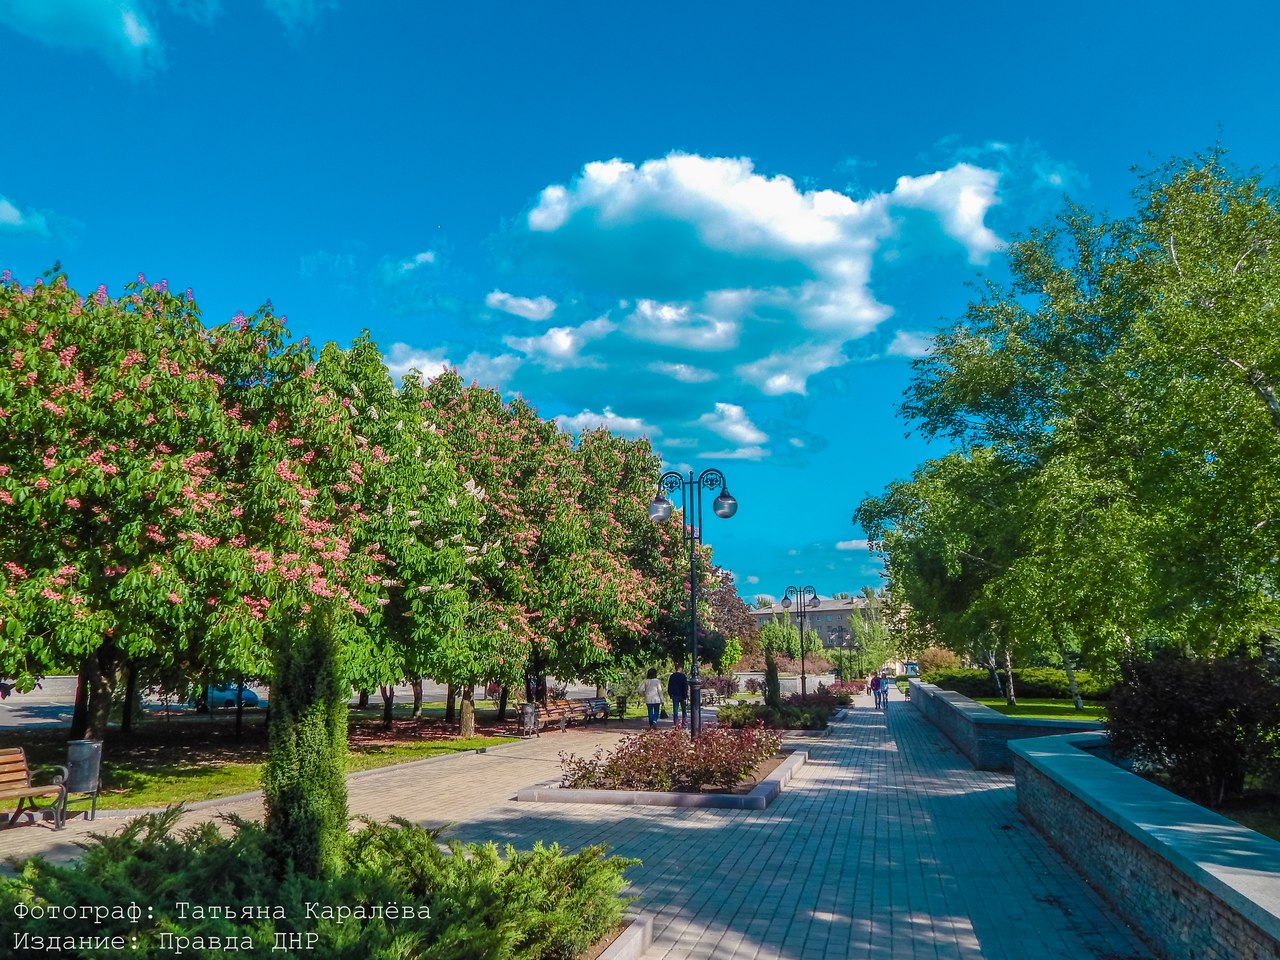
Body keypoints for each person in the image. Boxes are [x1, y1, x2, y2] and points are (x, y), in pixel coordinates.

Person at [667, 663, 688, 729]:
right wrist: (685, 695)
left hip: (674, 695)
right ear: (680, 668)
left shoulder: (672, 676)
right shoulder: (683, 676)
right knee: (684, 710)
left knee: (675, 710)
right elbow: (685, 686)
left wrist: (670, 694)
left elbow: (669, 686)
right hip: (682, 695)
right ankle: (684, 723)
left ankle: (676, 723)